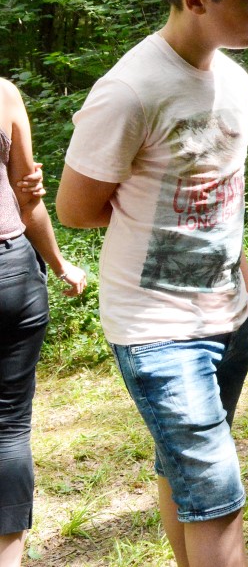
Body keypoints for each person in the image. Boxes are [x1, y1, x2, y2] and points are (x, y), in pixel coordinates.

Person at [56, 0, 248, 567]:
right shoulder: (129, 90)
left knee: (185, 476)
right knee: (219, 496)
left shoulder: (234, 81)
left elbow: (218, 201)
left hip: (230, 316)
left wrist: (243, 280)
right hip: (157, 331)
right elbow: (76, 207)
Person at [0, 80, 86, 567]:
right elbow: (26, 196)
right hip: (9, 273)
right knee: (8, 427)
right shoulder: (3, 95)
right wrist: (60, 264)